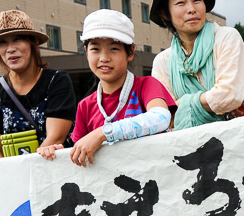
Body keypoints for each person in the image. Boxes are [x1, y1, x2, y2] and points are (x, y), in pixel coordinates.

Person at [38, 9, 176, 166]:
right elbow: (80, 152)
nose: (104, 58)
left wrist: (102, 133)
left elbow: (160, 118)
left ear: (130, 52)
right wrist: (55, 151)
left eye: (114, 48)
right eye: (95, 49)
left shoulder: (146, 85)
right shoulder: (85, 106)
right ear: (86, 52)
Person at [149, 0, 244, 130]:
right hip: (190, 146)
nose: (191, 9)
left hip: (241, 136)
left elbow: (230, 94)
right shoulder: (163, 62)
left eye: (197, 0)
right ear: (165, 13)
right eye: (180, 2)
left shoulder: (226, 38)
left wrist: (182, 103)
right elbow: (165, 116)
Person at [0, 10, 76, 158]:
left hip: (56, 170)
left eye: (17, 39)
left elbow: (55, 138)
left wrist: (29, 172)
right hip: (12, 177)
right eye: (2, 42)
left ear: (34, 42)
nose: (10, 48)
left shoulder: (57, 80)